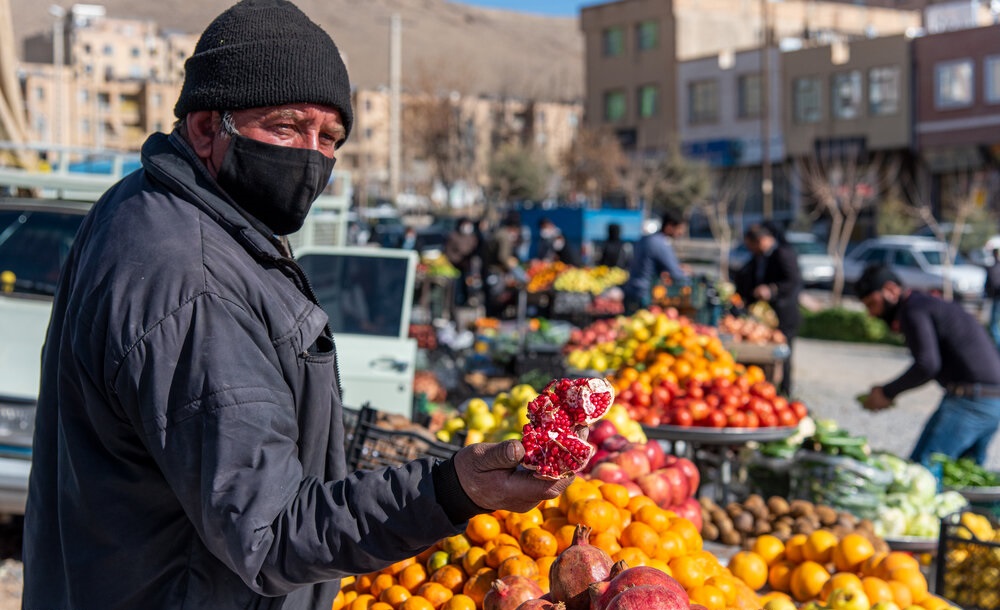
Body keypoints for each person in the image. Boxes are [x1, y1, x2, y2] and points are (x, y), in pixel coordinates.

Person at [21, 2, 572, 608]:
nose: (311, 155)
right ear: (207, 127)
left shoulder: (149, 206)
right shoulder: (194, 279)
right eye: (286, 127)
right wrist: (453, 488)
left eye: (330, 137)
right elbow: (270, 531)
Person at [856, 264, 1000, 466]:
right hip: (992, 400)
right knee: (963, 479)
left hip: (970, 402)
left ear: (890, 290)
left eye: (872, 304)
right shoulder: (925, 304)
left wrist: (887, 392)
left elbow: (927, 365)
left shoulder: (913, 310)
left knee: (924, 470)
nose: (872, 314)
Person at [735, 223, 803, 396]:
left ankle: (784, 392)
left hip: (783, 315)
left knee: (783, 355)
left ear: (761, 240)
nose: (750, 250)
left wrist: (772, 290)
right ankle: (764, 390)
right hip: (763, 317)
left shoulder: (783, 254)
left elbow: (793, 282)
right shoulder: (759, 257)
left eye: (751, 245)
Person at [623, 209, 688, 314]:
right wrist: (686, 277)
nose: (681, 233)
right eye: (680, 229)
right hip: (644, 294)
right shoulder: (660, 243)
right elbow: (675, 273)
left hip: (631, 289)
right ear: (670, 227)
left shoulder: (646, 239)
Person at [444, 217, 480, 307]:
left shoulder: (473, 237)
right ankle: (456, 302)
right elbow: (448, 252)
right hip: (456, 266)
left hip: (469, 267)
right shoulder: (453, 236)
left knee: (472, 284)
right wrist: (459, 261)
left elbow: (476, 250)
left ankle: (470, 299)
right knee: (457, 286)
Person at [986, 248, 1000, 350]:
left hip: (996, 297)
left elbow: (990, 284)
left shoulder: (992, 268)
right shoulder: (992, 268)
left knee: (993, 323)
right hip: (996, 297)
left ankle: (997, 344)